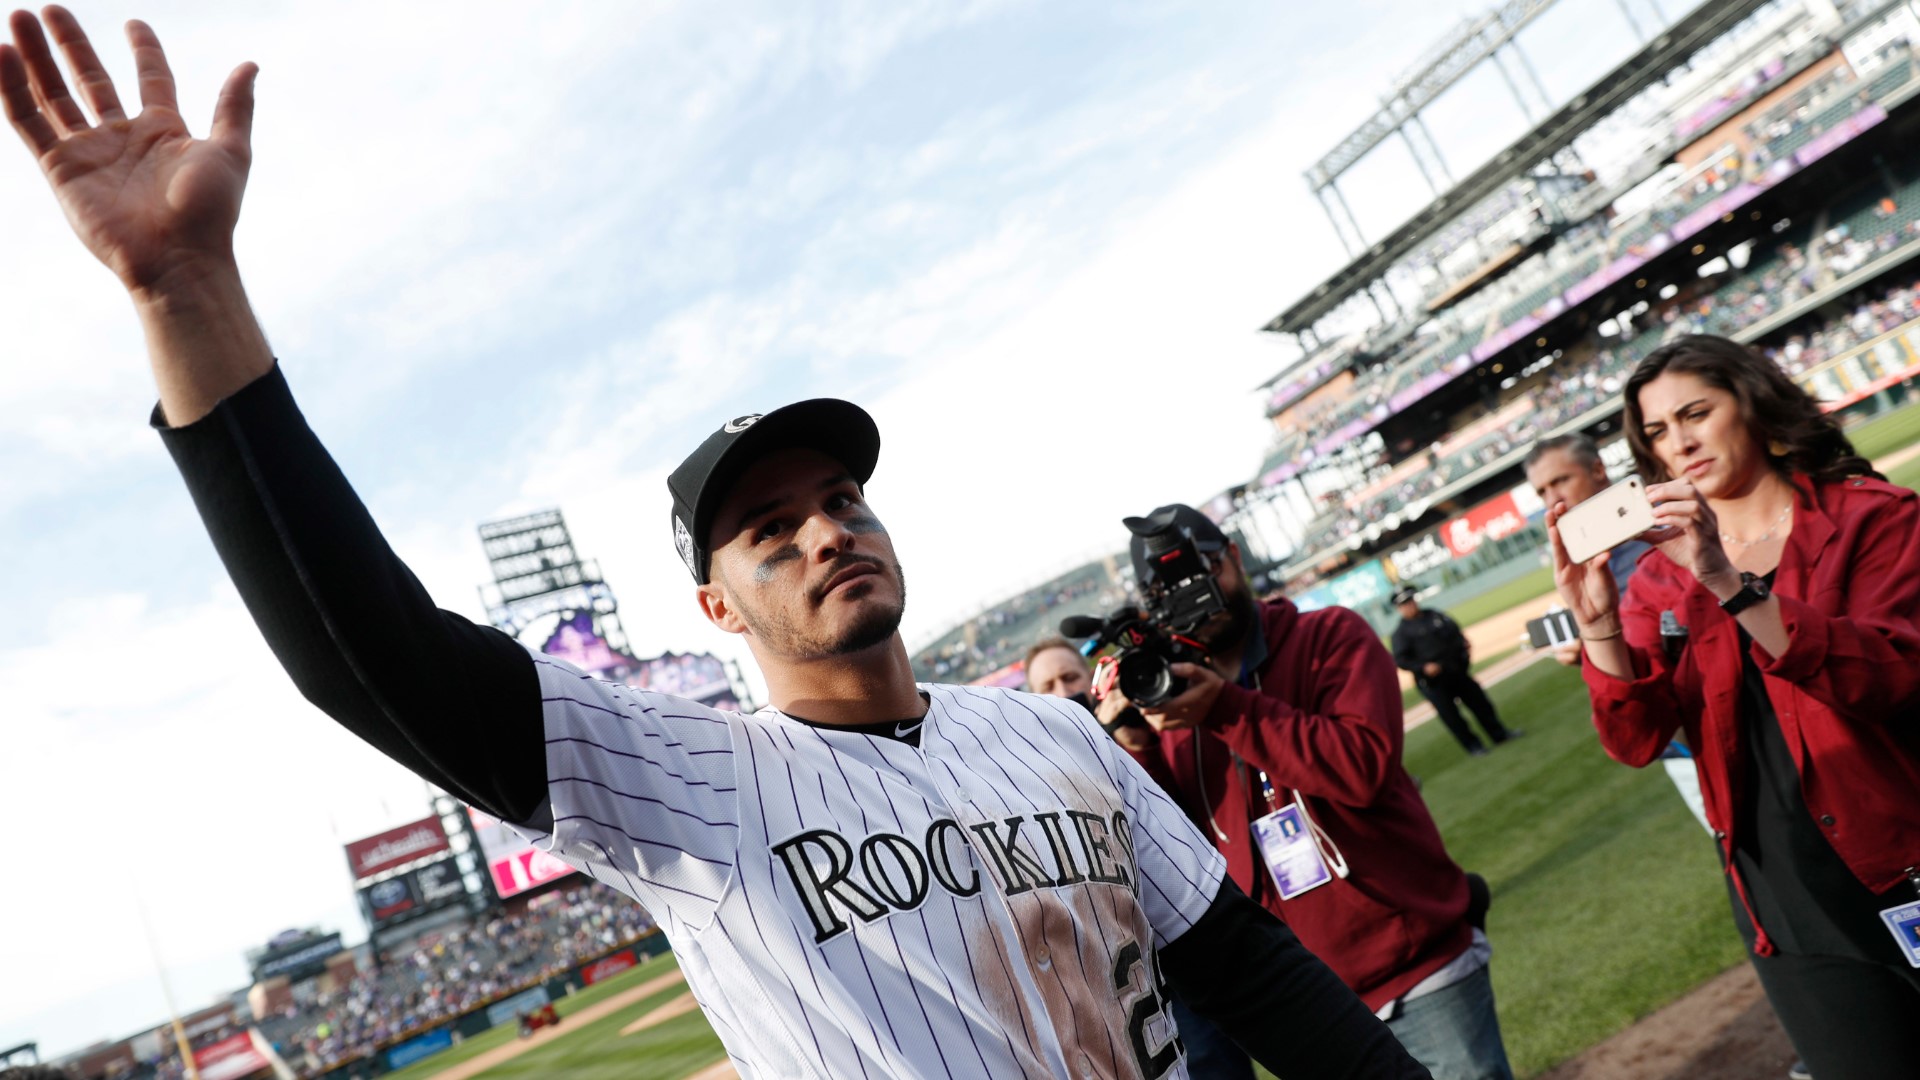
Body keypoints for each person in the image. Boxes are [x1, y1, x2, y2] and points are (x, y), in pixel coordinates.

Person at [0, 11, 1428, 1079]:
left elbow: (1240, 963)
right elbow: (371, 657)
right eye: (769, 529)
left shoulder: (1056, 741)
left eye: (843, 501)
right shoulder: (695, 786)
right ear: (714, 606)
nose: (826, 531)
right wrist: (186, 293)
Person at [1548, 333, 1920, 1079]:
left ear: (1752, 406)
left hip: (1903, 859)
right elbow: (1637, 738)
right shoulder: (1658, 580)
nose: (1678, 443)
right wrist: (1596, 626)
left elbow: (1887, 678)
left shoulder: (1874, 518)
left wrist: (1728, 580)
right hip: (1785, 902)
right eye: (1656, 431)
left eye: (1695, 413)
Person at [1097, 505, 1514, 1080]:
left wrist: (1225, 707)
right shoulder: (1168, 697)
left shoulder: (1330, 636)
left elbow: (1361, 767)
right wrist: (1135, 742)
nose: (1194, 596)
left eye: (1204, 570)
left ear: (1236, 560)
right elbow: (1174, 850)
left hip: (1417, 967)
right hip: (1305, 1005)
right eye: (1169, 589)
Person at [1025, 637, 1255, 1080]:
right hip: (1113, 978)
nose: (1061, 690)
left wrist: (1129, 742)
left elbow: (1186, 839)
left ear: (1095, 683)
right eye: (1047, 684)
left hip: (1185, 954)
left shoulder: (1134, 730)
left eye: (1070, 677)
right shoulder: (1024, 771)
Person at [1524, 434, 1708, 833]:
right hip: (1678, 741)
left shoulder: (1665, 518)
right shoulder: (1580, 557)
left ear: (1597, 470)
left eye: (1560, 480)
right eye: (1541, 489)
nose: (1551, 496)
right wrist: (1594, 644)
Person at [1389, 588, 1518, 757]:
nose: (1410, 605)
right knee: (1452, 717)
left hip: (1456, 670)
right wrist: (1423, 667)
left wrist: (1463, 644)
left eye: (1411, 600)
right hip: (1434, 682)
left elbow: (1454, 630)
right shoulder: (1401, 633)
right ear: (1399, 608)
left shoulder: (1433, 615)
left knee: (1481, 704)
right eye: (1405, 604)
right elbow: (1401, 660)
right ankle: (1474, 746)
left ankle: (1499, 734)